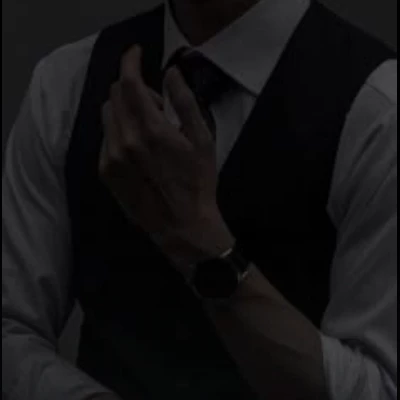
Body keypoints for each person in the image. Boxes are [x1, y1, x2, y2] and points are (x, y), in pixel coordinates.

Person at [2, 0, 397, 399]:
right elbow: (10, 327)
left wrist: (199, 241)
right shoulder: (66, 84)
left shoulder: (380, 113)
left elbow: (380, 387)